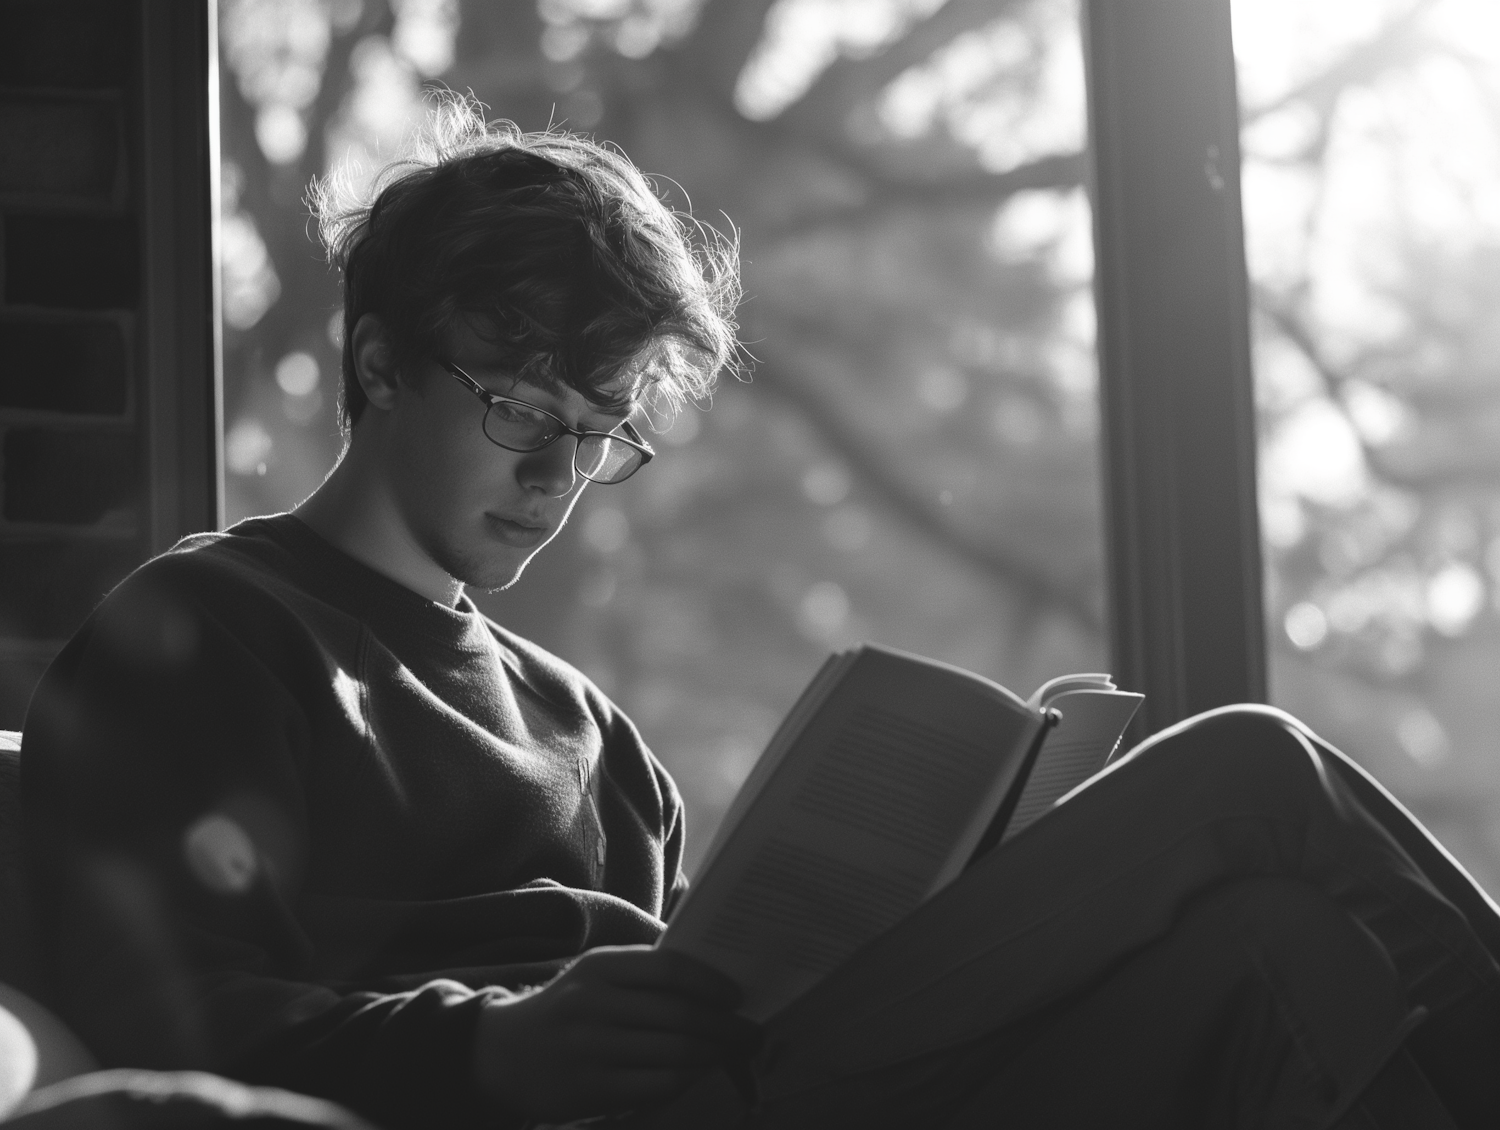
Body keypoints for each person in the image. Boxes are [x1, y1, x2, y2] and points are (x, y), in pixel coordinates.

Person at [18, 97, 1500, 1130]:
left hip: (766, 1083)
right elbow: (155, 1029)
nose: (557, 472)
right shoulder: (210, 628)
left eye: (600, 431)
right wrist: (494, 1046)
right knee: (1246, 772)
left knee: (1275, 942)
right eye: (521, 405)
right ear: (382, 359)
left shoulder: (590, 733)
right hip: (578, 1115)